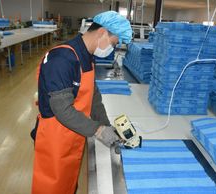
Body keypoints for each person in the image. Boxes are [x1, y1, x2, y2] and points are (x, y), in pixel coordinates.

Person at [31, 11, 132, 194]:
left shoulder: (86, 55)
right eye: (114, 43)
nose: (112, 49)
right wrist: (98, 130)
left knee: (68, 183)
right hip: (55, 138)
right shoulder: (62, 59)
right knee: (52, 186)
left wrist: (105, 124)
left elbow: (93, 97)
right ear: (102, 33)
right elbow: (61, 109)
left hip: (73, 132)